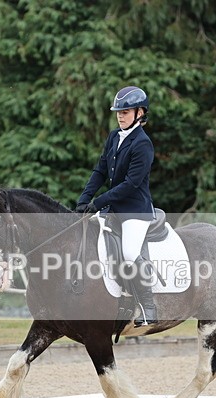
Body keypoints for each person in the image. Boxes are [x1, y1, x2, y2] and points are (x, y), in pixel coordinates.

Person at [76, 85, 158, 326]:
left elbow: (132, 184)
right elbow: (101, 170)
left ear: (140, 113)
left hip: (135, 212)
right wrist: (84, 198)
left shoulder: (143, 144)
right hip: (113, 209)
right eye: (118, 112)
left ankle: (149, 307)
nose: (120, 116)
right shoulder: (114, 136)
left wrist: (98, 202)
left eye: (126, 111)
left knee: (130, 252)